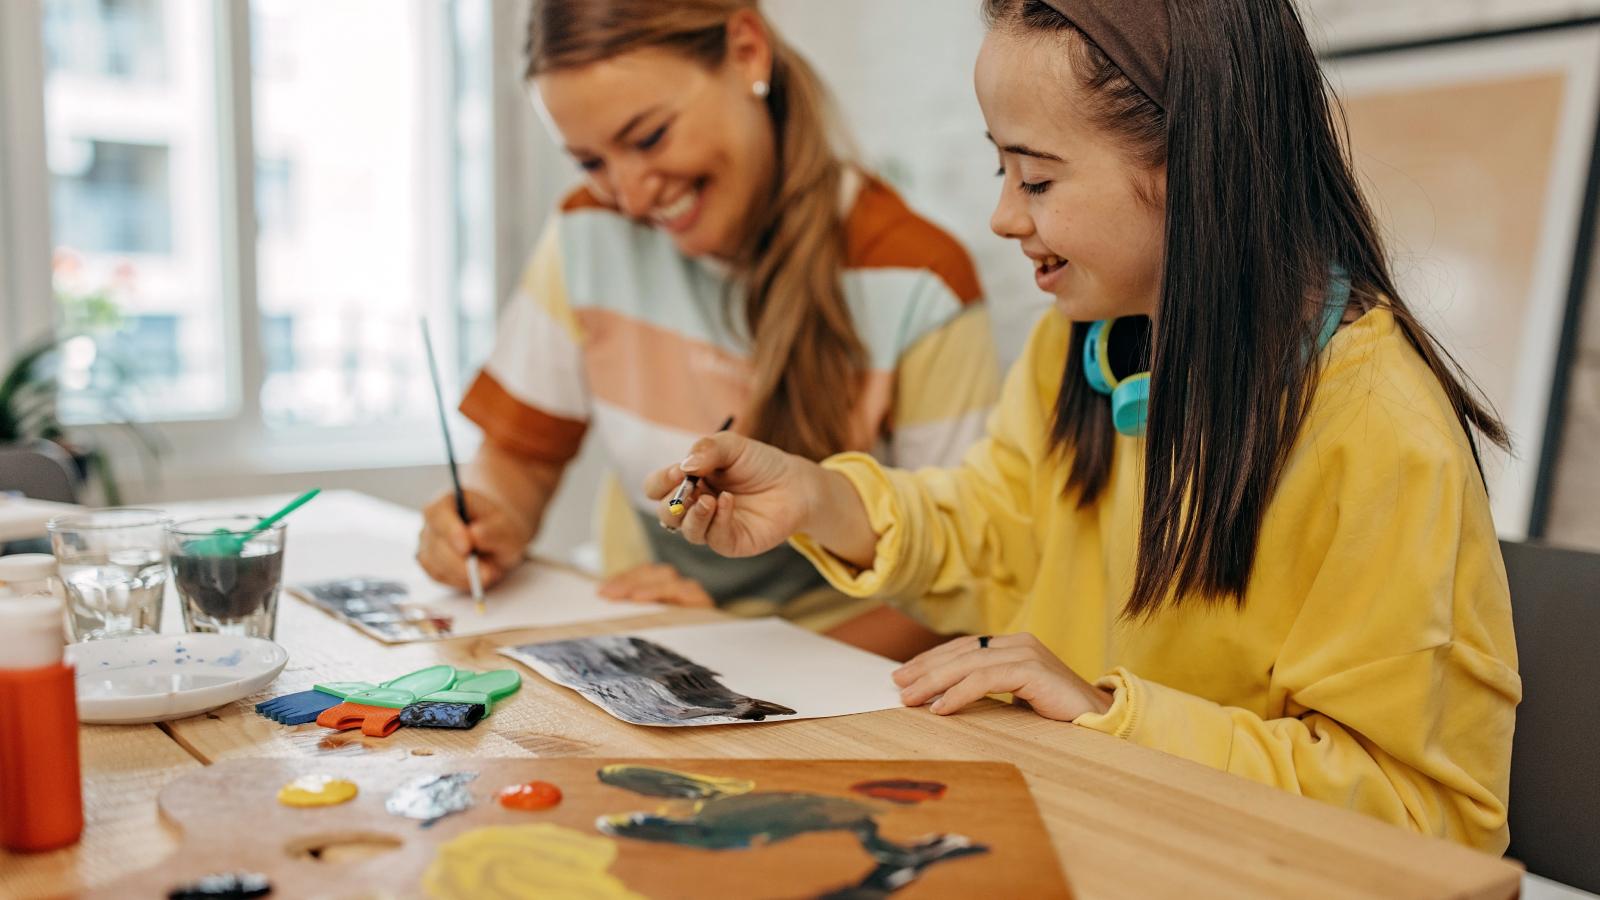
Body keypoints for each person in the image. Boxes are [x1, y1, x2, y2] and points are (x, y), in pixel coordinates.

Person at [645, 0, 1520, 851]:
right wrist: (818, 498)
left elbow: (1423, 819)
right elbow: (1001, 538)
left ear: (1194, 165)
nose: (1004, 216)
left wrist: (1107, 714)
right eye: (1002, 172)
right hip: (1090, 828)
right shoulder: (1079, 345)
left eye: (1037, 178)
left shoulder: (1381, 428)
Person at [415, 0, 999, 661]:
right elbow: (521, 458)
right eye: (590, 162)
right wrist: (487, 520)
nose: (631, 198)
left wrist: (728, 650)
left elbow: (963, 587)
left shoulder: (920, 280)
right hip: (639, 658)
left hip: (836, 688)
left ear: (748, 51)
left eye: (648, 138)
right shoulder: (588, 233)